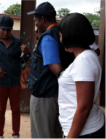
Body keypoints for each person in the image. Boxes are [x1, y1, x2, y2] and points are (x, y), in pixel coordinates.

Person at [26, 2, 73, 139]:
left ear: (42, 20)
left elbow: (57, 69)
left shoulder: (47, 38)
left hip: (45, 97)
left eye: (35, 20)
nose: (35, 24)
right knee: (55, 133)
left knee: (43, 135)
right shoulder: (61, 33)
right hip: (56, 94)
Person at [58, 13, 106, 139]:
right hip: (83, 130)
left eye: (61, 34)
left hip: (85, 132)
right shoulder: (87, 56)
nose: (60, 38)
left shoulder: (84, 60)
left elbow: (84, 107)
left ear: (71, 34)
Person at [0, 15, 30, 139]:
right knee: (0, 109)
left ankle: (15, 134)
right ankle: (0, 134)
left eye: (8, 30)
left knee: (16, 108)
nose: (6, 32)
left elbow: (23, 62)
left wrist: (27, 54)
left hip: (15, 81)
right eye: (3, 29)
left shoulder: (17, 42)